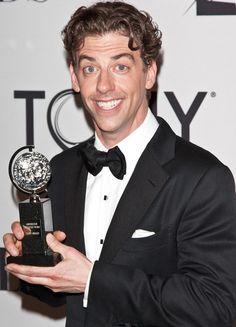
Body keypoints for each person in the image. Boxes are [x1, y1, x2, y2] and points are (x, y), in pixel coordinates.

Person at [3, 1, 236, 326]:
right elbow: (61, 289)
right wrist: (31, 261)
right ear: (74, 77)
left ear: (149, 72)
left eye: (120, 67)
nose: (103, 86)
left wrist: (92, 280)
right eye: (90, 68)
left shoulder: (202, 178)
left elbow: (215, 307)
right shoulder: (63, 168)